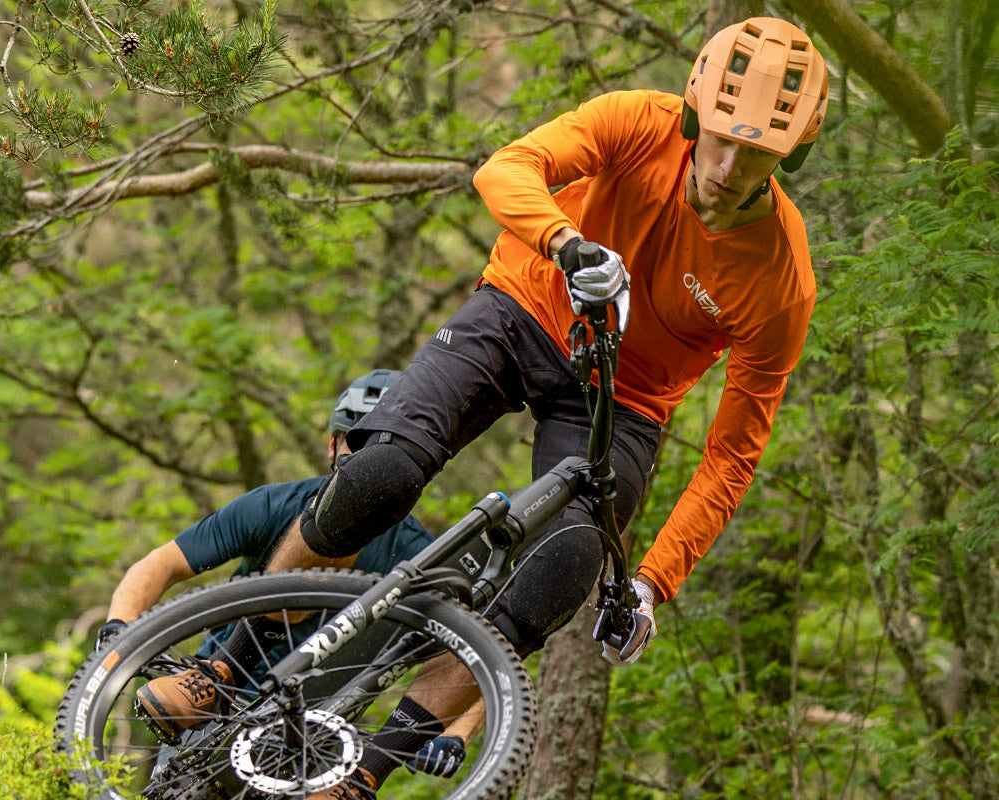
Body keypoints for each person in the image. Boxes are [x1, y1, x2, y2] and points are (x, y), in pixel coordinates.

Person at [138, 17, 829, 799]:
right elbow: (509, 169)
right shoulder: (638, 121)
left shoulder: (780, 280)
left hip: (621, 398)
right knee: (381, 473)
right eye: (722, 141)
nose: (730, 168)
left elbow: (734, 453)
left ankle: (361, 771)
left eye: (759, 154)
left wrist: (650, 584)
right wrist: (569, 245)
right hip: (521, 309)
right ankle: (220, 668)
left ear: (790, 156)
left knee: (563, 569)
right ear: (696, 115)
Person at [97, 370, 472, 780]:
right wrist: (120, 629)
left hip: (315, 726)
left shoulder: (422, 555)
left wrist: (456, 732)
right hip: (216, 697)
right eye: (360, 441)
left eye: (388, 445)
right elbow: (160, 565)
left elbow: (475, 651)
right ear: (333, 444)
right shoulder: (275, 505)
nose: (370, 455)